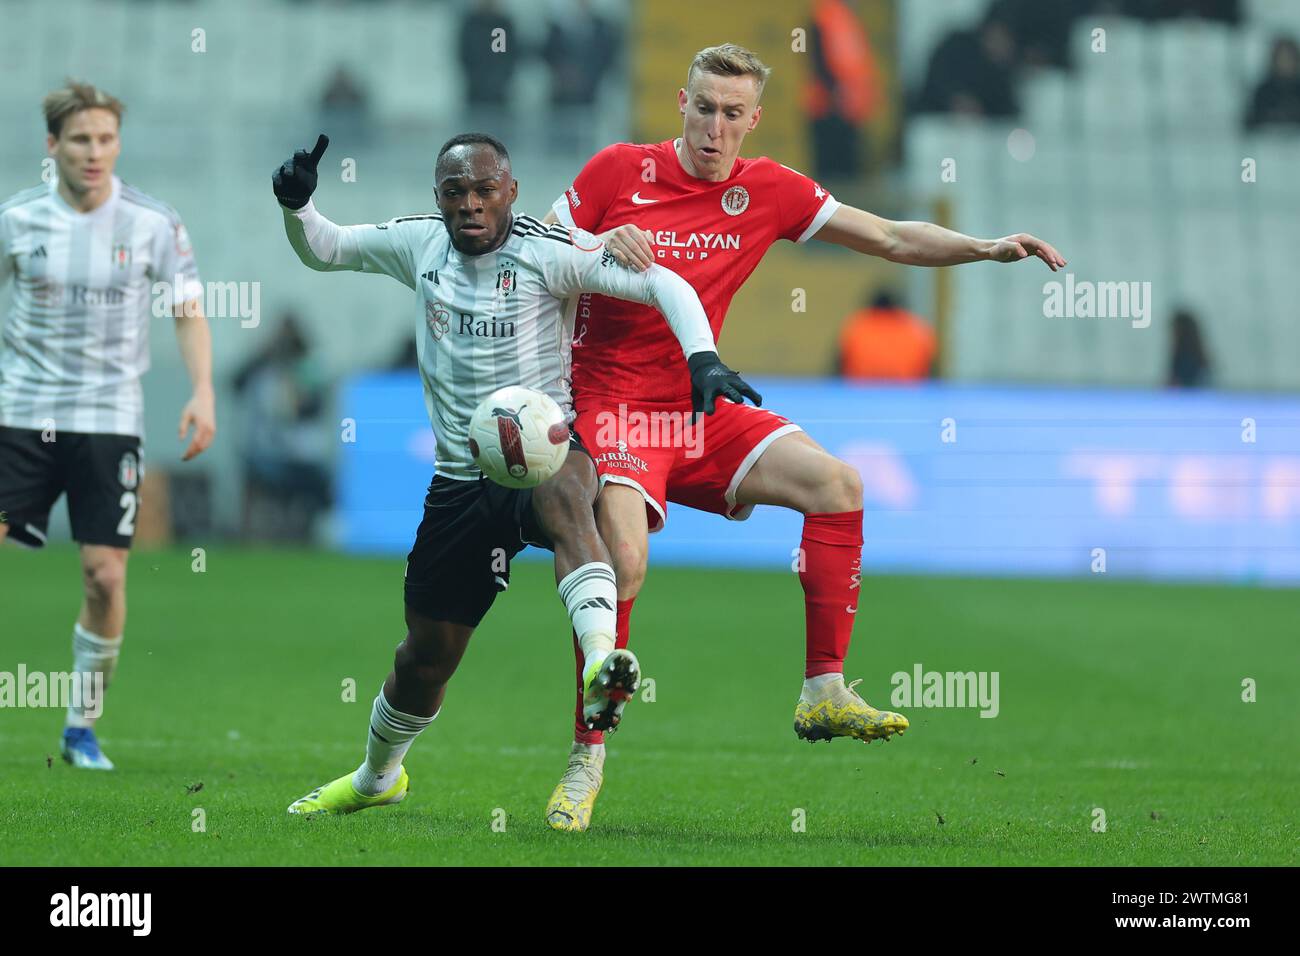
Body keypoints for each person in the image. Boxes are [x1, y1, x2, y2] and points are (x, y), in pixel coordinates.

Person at [541, 43, 1066, 831]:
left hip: (698, 401)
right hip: (614, 407)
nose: (714, 128)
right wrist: (593, 245)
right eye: (703, 108)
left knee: (838, 486)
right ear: (680, 103)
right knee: (624, 568)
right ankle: (587, 760)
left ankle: (823, 688)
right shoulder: (618, 170)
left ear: (754, 119)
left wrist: (984, 247)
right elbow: (531, 248)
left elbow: (888, 237)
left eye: (731, 114)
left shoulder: (769, 190)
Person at [272, 131, 759, 815]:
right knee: (425, 656)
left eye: (483, 190)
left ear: (511, 191)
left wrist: (701, 356)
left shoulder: (547, 252)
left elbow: (661, 281)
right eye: (454, 192)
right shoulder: (419, 246)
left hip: (548, 451)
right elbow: (328, 248)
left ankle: (599, 663)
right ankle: (376, 780)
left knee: (568, 500)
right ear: (437, 198)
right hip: (461, 482)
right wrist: (298, 205)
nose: (470, 204)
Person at [0, 81, 215, 769]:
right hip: (21, 411)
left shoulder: (153, 222)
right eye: (81, 140)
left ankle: (80, 728)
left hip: (107, 419)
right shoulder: (17, 220)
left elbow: (187, 309)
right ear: (52, 146)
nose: (95, 153)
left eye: (106, 140)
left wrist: (203, 391)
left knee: (103, 577)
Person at [838, 291, 936, 380]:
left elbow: (840, 365)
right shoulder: (916, 329)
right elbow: (928, 368)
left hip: (862, 392)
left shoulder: (857, 327)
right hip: (907, 393)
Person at [1245, 37, 1300, 131]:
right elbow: (1250, 124)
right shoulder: (1263, 91)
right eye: (1281, 58)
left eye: (1289, 58)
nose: (1285, 63)